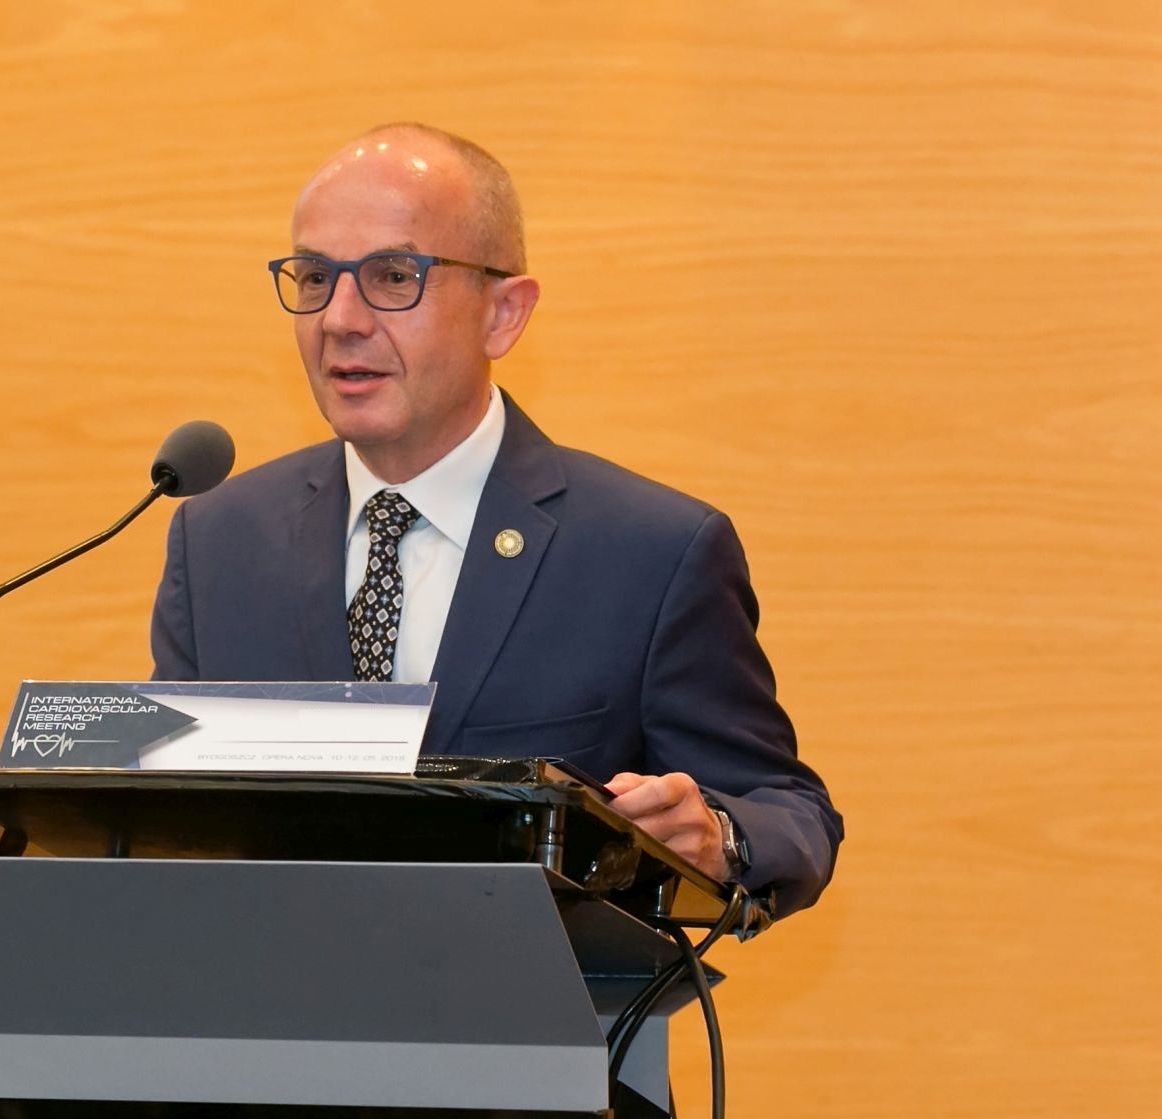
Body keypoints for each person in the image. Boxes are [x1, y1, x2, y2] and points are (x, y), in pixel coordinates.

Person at [148, 122, 841, 917]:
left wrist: (721, 836)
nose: (339, 319)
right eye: (314, 277)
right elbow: (168, 816)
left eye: (392, 276)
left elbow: (787, 810)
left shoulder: (650, 554)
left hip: (543, 993)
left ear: (503, 314)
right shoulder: (220, 540)